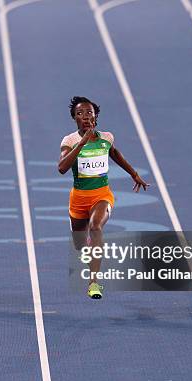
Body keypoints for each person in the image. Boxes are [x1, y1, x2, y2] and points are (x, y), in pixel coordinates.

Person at [59, 96, 148, 299]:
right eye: (80, 113)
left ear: (96, 116)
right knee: (80, 246)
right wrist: (81, 143)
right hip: (79, 199)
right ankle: (88, 245)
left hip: (102, 195)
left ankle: (94, 283)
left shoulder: (106, 137)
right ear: (74, 119)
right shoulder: (69, 141)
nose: (85, 116)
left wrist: (133, 173)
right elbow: (62, 168)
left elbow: (115, 154)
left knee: (96, 227)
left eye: (89, 112)